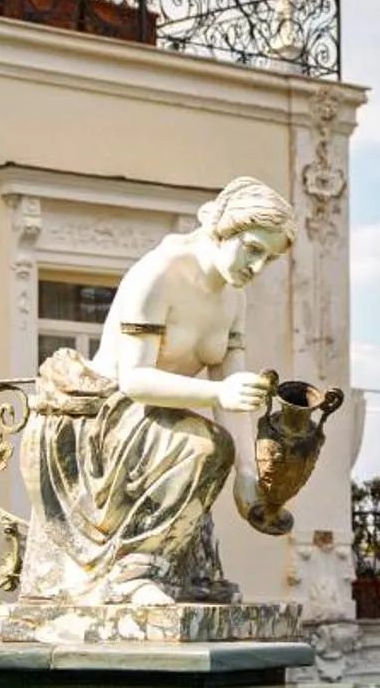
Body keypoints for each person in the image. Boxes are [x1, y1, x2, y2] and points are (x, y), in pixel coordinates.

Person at [17, 177, 294, 606]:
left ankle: (172, 569)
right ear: (225, 229)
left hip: (157, 419)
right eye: (254, 249)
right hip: (99, 418)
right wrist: (220, 393)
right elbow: (135, 380)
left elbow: (233, 400)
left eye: (269, 259)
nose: (257, 268)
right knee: (203, 447)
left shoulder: (233, 295)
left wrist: (247, 476)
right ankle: (132, 573)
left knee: (212, 445)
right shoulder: (160, 273)